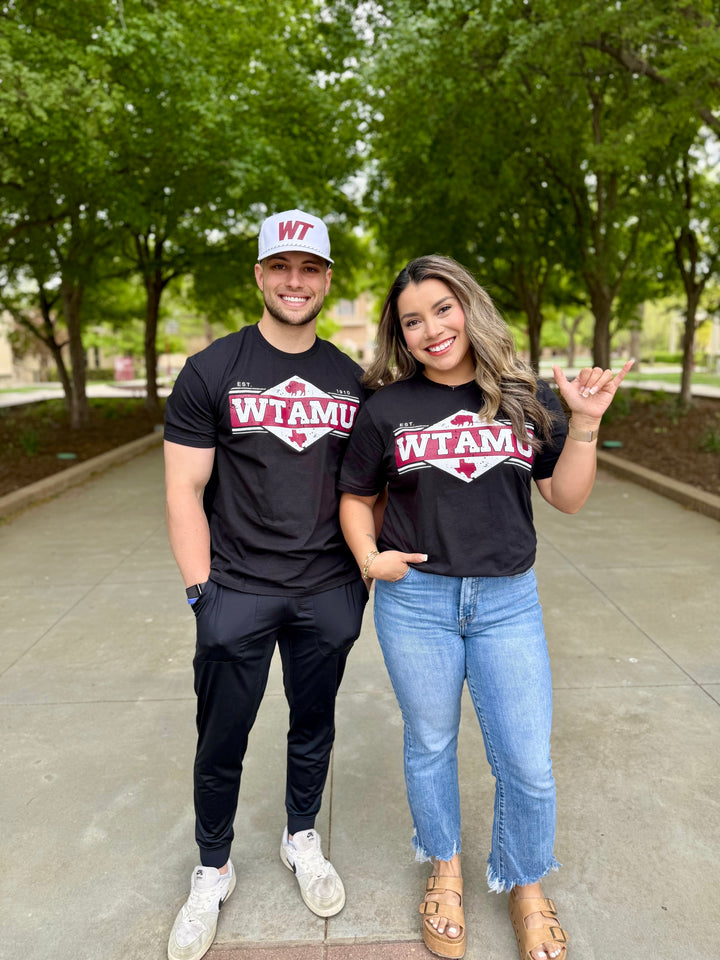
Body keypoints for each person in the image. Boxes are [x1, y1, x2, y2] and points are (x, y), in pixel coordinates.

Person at [338, 255, 633, 960]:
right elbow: (355, 496)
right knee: (431, 745)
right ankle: (444, 870)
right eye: (413, 320)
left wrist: (585, 424)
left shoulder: (523, 398)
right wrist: (369, 559)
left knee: (528, 762)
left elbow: (565, 495)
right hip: (417, 605)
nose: (432, 329)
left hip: (507, 604)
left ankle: (525, 883)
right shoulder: (386, 410)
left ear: (469, 307)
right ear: (400, 334)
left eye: (444, 309)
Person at [163, 209, 369, 960]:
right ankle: (212, 869)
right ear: (259, 274)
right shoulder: (212, 369)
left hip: (327, 590)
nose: (294, 280)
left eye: (309, 268)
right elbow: (183, 489)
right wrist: (201, 593)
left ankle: (300, 837)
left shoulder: (354, 380)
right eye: (280, 266)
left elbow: (371, 487)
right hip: (237, 589)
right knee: (222, 738)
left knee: (313, 726)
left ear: (325, 279)